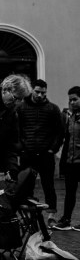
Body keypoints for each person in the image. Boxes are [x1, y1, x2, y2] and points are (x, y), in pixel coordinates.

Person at [17, 79, 64, 221]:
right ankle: (28, 214)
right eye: (37, 92)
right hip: (27, 152)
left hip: (45, 153)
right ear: (32, 90)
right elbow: (17, 130)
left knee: (48, 184)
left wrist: (52, 149)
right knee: (26, 184)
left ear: (46, 92)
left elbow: (59, 132)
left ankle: (51, 214)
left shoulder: (53, 109)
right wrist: (21, 148)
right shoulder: (21, 108)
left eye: (43, 93)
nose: (39, 95)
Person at [53, 86, 80, 230]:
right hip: (71, 161)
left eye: (75, 99)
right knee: (70, 192)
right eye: (70, 100)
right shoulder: (70, 117)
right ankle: (66, 219)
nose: (72, 103)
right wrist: (63, 161)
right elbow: (67, 139)